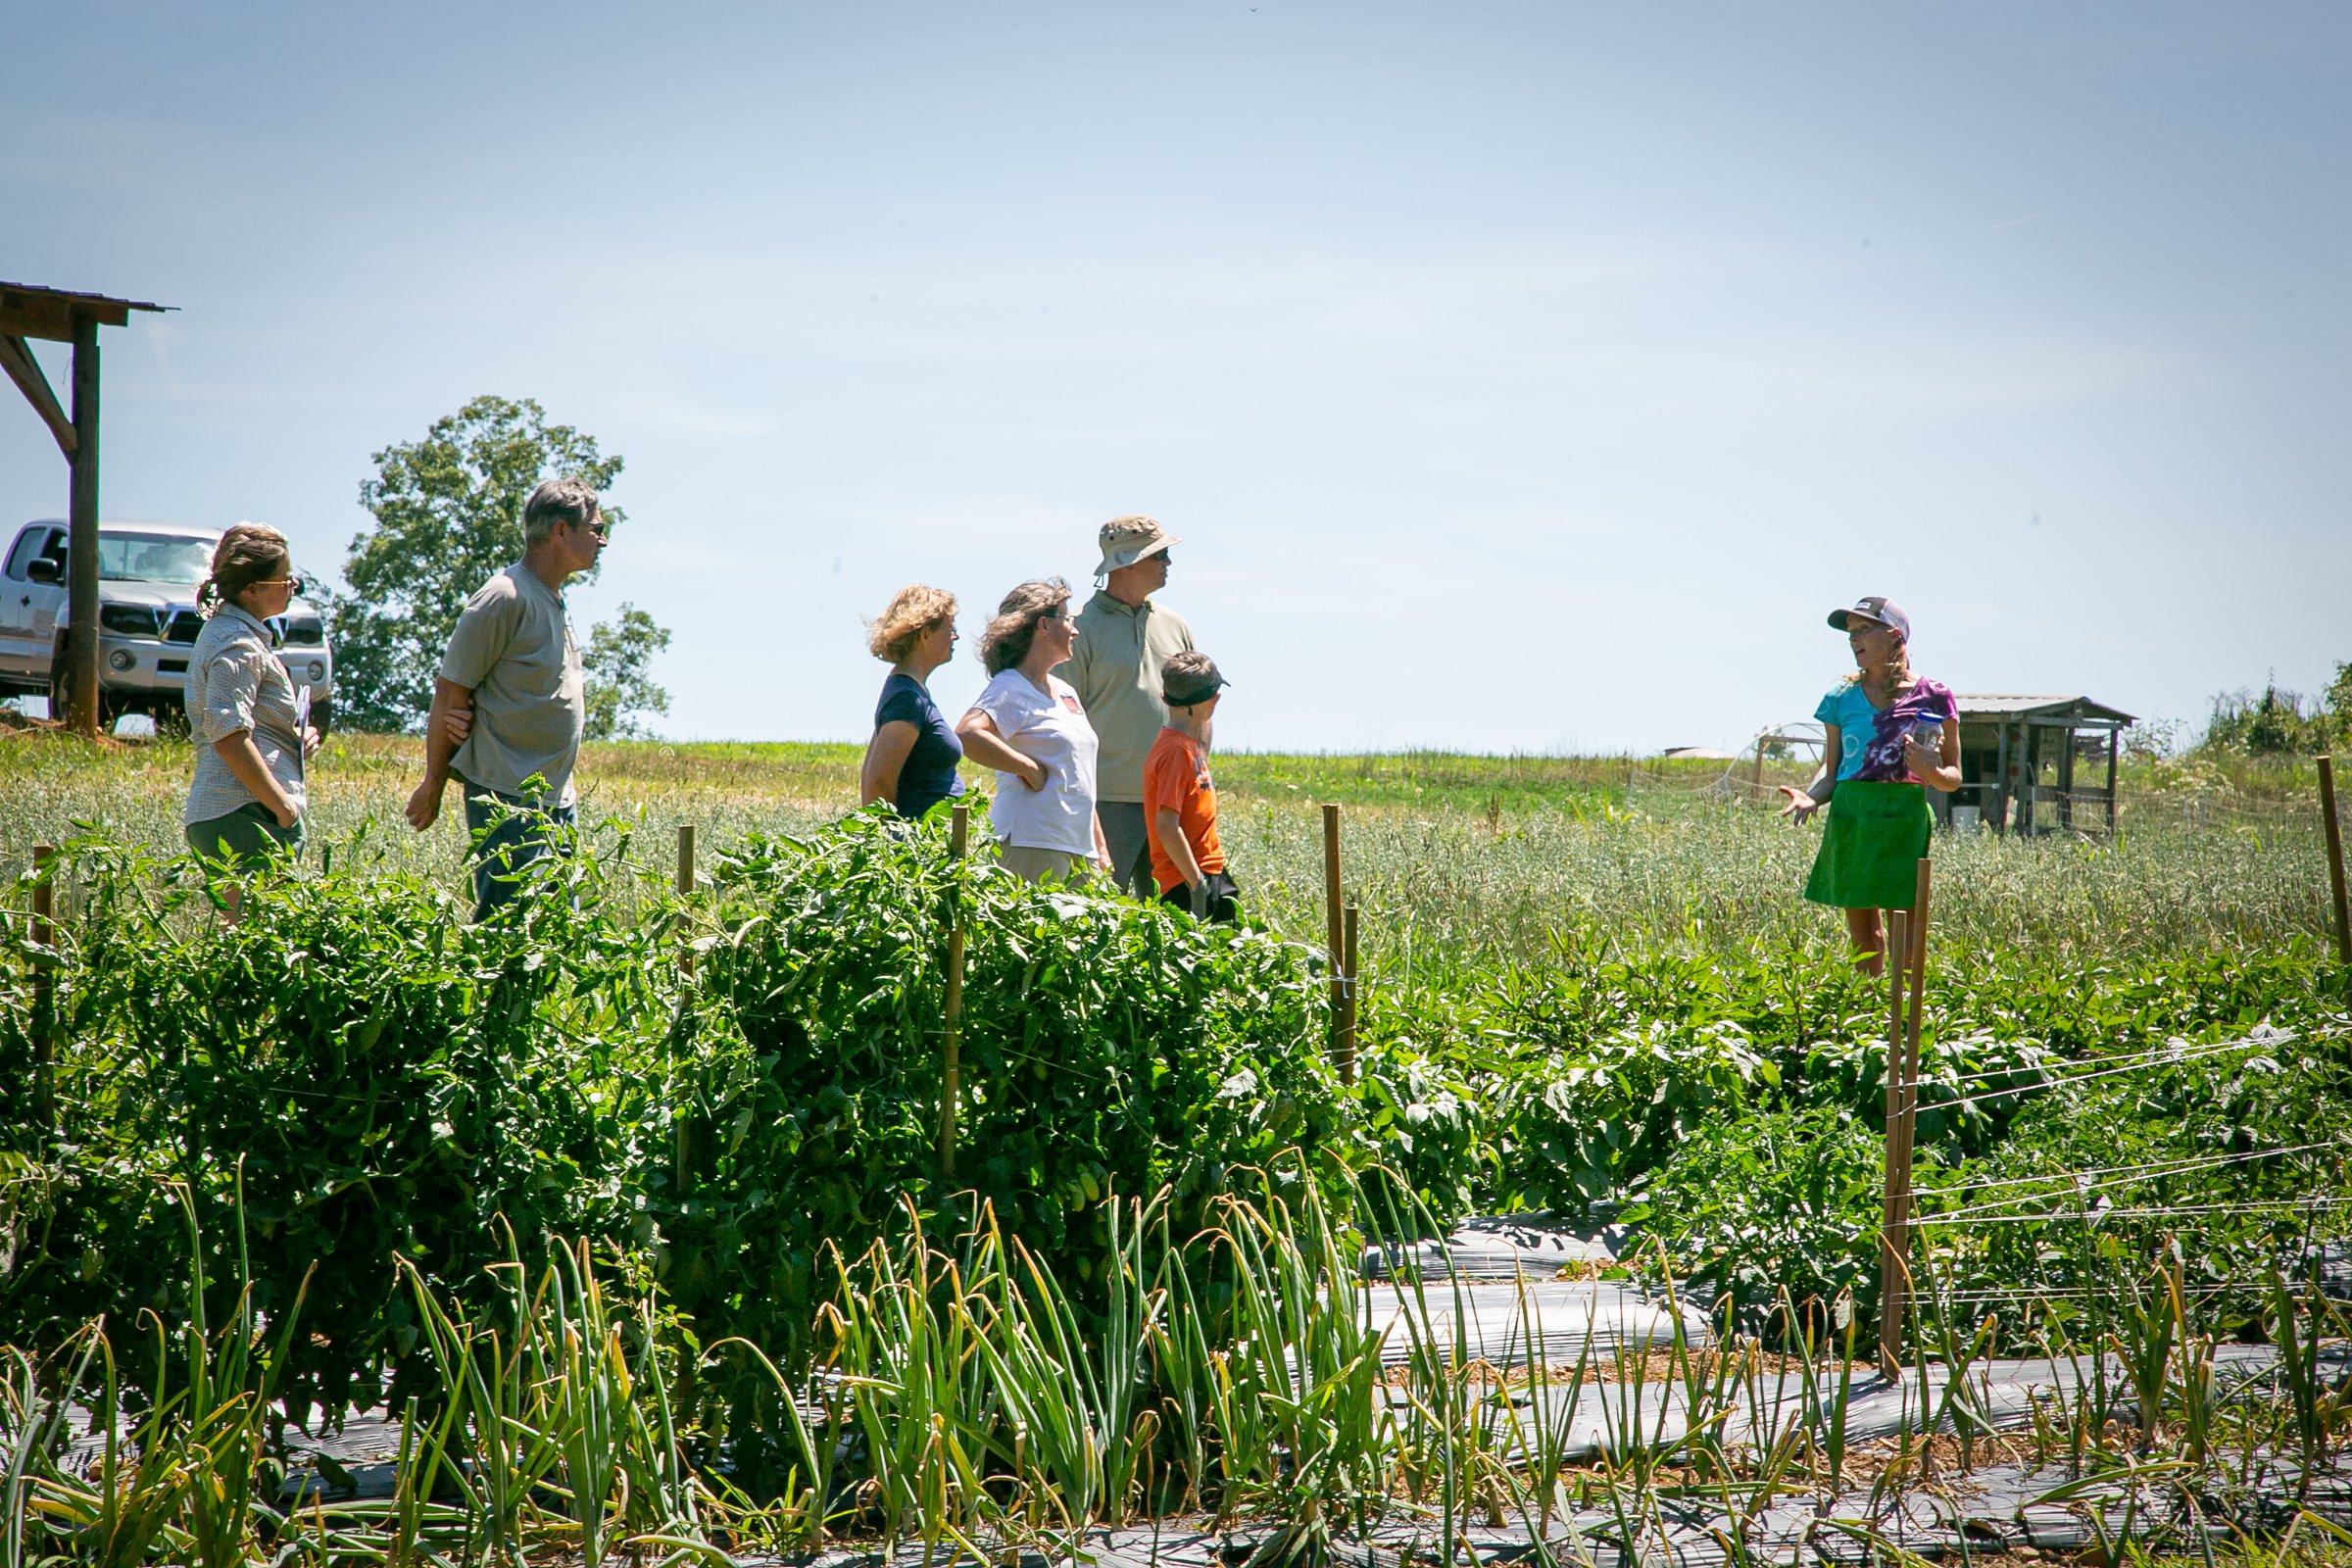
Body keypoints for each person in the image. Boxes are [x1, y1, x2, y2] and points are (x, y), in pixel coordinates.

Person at [404, 477, 604, 919]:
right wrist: (434, 780)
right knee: (509, 924)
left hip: (554, 799)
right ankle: (480, 993)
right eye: (595, 527)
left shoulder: (552, 598)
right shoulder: (503, 596)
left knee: (554, 929)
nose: (602, 539)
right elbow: (451, 691)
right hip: (506, 796)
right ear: (560, 531)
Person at [1779, 596, 1961, 975]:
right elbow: (1833, 772)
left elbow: (1953, 777)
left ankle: (1907, 1018)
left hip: (1903, 819)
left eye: (1864, 630)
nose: (1854, 640)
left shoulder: (1934, 696)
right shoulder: (1839, 698)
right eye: (1850, 634)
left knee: (1907, 942)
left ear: (1894, 636)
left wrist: (1933, 773)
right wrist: (1810, 798)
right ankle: (1867, 1017)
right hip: (1852, 817)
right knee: (1866, 940)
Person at [1061, 515, 1195, 894]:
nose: (1168, 563)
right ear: (1130, 563)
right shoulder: (1078, 629)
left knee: (1178, 919)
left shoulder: (1176, 625)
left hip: (1169, 802)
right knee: (1101, 914)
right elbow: (1066, 721)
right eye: (1161, 555)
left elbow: (1196, 708)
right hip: (1106, 801)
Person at [956, 577, 1111, 882]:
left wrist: (1101, 847)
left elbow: (1078, 774)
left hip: (1078, 848)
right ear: (1043, 625)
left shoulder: (1065, 691)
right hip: (1033, 842)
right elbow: (968, 734)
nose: (1075, 629)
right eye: (1068, 619)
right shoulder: (1011, 685)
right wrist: (1028, 768)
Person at [182, 523, 320, 867]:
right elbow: (228, 735)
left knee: (249, 923)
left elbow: (248, 727)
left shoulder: (237, 636)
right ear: (253, 589)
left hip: (248, 811)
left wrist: (295, 738)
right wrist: (283, 809)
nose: (293, 586)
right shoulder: (236, 644)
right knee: (251, 923)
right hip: (244, 812)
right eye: (284, 578)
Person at [1144, 651, 1240, 923]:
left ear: (1164, 697)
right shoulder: (1175, 751)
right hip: (1186, 883)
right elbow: (1166, 825)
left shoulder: (1186, 746)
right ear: (1213, 700)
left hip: (1208, 872)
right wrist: (1197, 886)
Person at [859, 584, 966, 820]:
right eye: (951, 628)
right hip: (920, 844)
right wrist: (895, 840)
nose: (955, 636)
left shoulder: (909, 692)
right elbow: (877, 780)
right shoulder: (907, 698)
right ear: (925, 634)